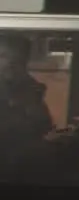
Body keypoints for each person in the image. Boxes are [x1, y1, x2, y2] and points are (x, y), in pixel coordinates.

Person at [0, 34, 55, 184]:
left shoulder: (31, 91)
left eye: (16, 58)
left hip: (24, 173)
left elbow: (44, 126)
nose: (9, 63)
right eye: (4, 56)